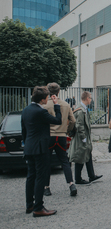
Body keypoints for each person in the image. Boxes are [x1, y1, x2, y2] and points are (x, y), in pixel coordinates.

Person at [21, 86, 61, 217]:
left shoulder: (26, 110)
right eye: (47, 97)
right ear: (42, 99)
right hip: (40, 148)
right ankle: (38, 207)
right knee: (40, 177)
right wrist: (56, 105)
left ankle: (29, 205)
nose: (48, 99)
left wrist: (26, 144)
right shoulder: (40, 112)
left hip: (29, 147)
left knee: (30, 176)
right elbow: (58, 121)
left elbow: (24, 131)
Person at [43, 83, 77, 197]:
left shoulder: (45, 106)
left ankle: (46, 187)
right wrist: (67, 130)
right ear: (59, 92)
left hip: (49, 136)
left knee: (46, 162)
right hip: (61, 136)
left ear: (48, 92)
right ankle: (71, 184)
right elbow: (73, 121)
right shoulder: (66, 105)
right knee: (64, 161)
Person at [68, 91, 102, 185]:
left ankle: (92, 176)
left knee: (88, 154)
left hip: (84, 137)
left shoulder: (83, 108)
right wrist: (83, 138)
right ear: (87, 98)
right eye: (90, 98)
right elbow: (79, 126)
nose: (91, 100)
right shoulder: (80, 110)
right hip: (81, 138)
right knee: (80, 156)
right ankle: (78, 179)